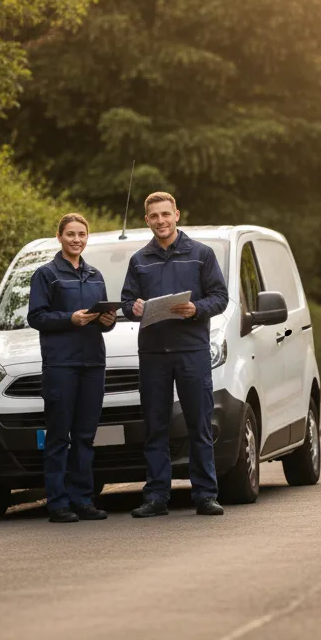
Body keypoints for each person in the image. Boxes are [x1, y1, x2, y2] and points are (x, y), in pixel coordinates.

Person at [121, 192, 229, 517]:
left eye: (166, 214)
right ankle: (156, 497)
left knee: (199, 424)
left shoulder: (201, 255)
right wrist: (134, 307)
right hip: (153, 355)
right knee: (155, 427)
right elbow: (127, 303)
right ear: (147, 220)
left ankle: (205, 495)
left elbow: (220, 297)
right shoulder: (139, 260)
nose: (161, 221)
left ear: (177, 215)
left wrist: (197, 308)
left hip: (192, 352)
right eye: (154, 216)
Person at [27, 213, 116, 523]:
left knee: (84, 436)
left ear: (86, 238)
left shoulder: (95, 276)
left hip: (93, 364)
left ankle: (83, 500)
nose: (76, 239)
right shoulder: (46, 274)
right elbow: (36, 317)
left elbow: (103, 320)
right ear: (59, 237)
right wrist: (69, 319)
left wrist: (108, 320)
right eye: (70, 234)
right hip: (61, 366)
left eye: (81, 234)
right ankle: (58, 503)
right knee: (58, 437)